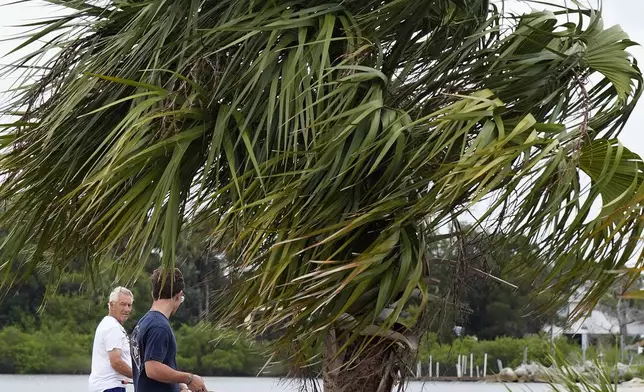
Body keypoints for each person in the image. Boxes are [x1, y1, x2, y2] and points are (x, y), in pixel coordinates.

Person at [131, 267, 209, 392]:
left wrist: (177, 385)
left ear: (153, 294)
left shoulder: (143, 323)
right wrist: (189, 379)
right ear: (179, 296)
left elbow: (145, 374)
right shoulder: (159, 327)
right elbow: (152, 368)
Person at [88, 286, 134, 392]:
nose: (127, 309)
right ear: (112, 305)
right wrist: (140, 377)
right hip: (110, 387)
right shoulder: (112, 327)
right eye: (122, 304)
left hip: (107, 386)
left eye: (129, 305)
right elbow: (116, 362)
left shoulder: (108, 324)